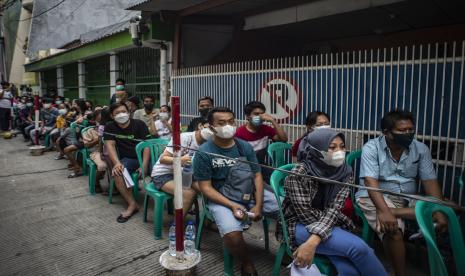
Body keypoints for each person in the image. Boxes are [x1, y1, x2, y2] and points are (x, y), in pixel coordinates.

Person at [282, 128, 387, 275]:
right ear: (316, 150)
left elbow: (335, 208)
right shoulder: (298, 175)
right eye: (332, 147)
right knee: (359, 249)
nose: (339, 151)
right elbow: (306, 215)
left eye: (342, 146)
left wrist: (314, 240)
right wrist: (334, 222)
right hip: (299, 225)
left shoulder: (345, 172)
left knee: (349, 270)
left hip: (328, 223)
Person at [355, 109, 448, 276]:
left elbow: (430, 182)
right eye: (402, 130)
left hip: (406, 198)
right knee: (393, 230)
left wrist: (439, 209)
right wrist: (383, 210)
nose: (408, 133)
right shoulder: (372, 148)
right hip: (375, 195)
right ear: (386, 133)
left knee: (448, 210)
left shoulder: (420, 149)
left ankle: (397, 213)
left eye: (410, 129)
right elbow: (370, 182)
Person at [193, 107, 279, 276]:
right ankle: (246, 263)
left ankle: (288, 249)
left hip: (249, 191)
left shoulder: (244, 147)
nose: (228, 126)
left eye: (231, 122)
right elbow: (205, 188)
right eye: (221, 123)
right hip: (222, 198)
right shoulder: (204, 153)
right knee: (232, 235)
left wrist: (259, 205)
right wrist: (232, 205)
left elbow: (257, 176)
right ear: (210, 127)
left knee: (287, 209)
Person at [151, 119, 214, 216]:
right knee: (189, 194)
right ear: (201, 126)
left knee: (208, 190)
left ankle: (206, 221)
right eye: (210, 128)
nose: (213, 132)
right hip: (164, 174)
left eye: (216, 130)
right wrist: (179, 160)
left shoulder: (210, 144)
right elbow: (163, 159)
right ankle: (176, 226)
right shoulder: (184, 138)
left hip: (186, 175)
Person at [104, 102, 151, 223]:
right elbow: (110, 145)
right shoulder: (110, 126)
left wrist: (144, 165)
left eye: (123, 111)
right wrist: (117, 163)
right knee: (118, 172)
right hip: (128, 160)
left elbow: (146, 146)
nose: (121, 114)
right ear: (112, 116)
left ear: (128, 112)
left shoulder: (139, 124)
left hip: (146, 159)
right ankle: (132, 204)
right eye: (117, 113)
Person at [235, 101, 287, 184]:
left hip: (261, 165)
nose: (260, 117)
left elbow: (283, 139)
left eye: (262, 114)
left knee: (279, 179)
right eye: (256, 114)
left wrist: (273, 121)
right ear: (248, 117)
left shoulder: (266, 129)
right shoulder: (239, 133)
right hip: (246, 168)